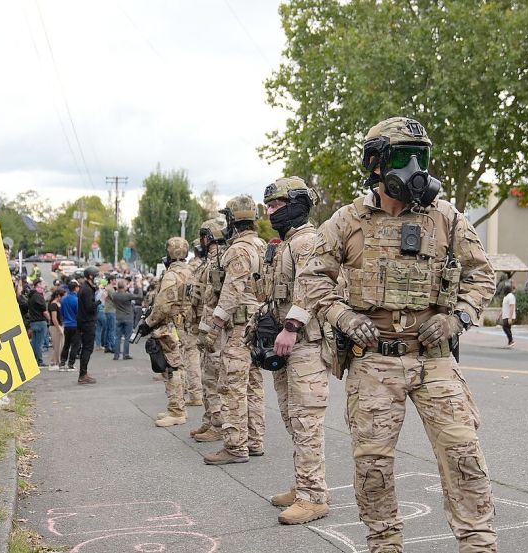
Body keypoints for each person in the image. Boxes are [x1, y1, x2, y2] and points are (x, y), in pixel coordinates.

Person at [288, 117, 497, 552]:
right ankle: (385, 544)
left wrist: (459, 316)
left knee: (465, 457)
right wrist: (343, 318)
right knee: (373, 467)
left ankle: (479, 545)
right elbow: (313, 279)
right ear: (377, 164)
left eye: (422, 157)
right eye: (405, 157)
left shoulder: (448, 219)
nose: (416, 168)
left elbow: (482, 276)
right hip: (373, 361)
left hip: (433, 357)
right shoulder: (348, 221)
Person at [260, 177, 331, 525]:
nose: (272, 211)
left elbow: (313, 287)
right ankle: (304, 485)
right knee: (292, 418)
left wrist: (291, 326)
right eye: (269, 206)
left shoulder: (308, 242)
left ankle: (314, 497)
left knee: (306, 420)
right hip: (286, 344)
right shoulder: (287, 244)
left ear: (298, 203)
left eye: (277, 205)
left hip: (305, 344)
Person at [199, 195, 267, 465]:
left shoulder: (238, 249)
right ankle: (255, 440)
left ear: (232, 220)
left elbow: (231, 292)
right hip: (258, 324)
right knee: (253, 384)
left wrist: (213, 328)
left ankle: (236, 446)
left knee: (232, 386)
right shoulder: (261, 245)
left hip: (239, 327)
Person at [143, 238, 194, 427]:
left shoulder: (172, 275)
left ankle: (177, 410)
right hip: (188, 325)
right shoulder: (193, 271)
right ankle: (177, 406)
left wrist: (148, 323)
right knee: (182, 366)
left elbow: (163, 305)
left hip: (171, 327)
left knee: (171, 368)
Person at [190, 219, 228, 444]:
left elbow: (213, 297)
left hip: (215, 327)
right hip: (210, 324)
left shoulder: (218, 261)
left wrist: (209, 329)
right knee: (208, 375)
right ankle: (210, 418)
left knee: (213, 377)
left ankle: (218, 423)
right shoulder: (214, 260)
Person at [181, 240, 205, 406]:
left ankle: (196, 393)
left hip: (194, 317)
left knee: (191, 354)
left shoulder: (191, 268)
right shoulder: (212, 262)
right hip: (210, 316)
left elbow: (187, 293)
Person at [77, 267, 100, 384]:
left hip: (86, 321)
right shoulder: (86, 290)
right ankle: (82, 375)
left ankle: (84, 372)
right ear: (91, 276)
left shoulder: (88, 288)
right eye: (96, 275)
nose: (98, 277)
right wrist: (99, 301)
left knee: (87, 348)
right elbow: (89, 307)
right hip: (87, 323)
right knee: (87, 348)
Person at [109, 279, 141, 360]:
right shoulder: (128, 295)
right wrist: (140, 288)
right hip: (128, 317)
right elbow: (140, 297)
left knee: (118, 337)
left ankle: (116, 355)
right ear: (124, 287)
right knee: (127, 337)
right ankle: (125, 354)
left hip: (118, 317)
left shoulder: (114, 295)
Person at [27, 278, 50, 367]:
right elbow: (44, 310)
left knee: (35, 342)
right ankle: (39, 360)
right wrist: (49, 319)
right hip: (40, 321)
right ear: (38, 284)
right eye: (43, 283)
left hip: (33, 322)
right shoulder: (39, 296)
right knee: (39, 343)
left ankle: (34, 359)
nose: (44, 285)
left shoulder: (31, 295)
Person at [60, 280, 80, 371]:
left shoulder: (64, 299)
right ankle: (71, 364)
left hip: (67, 324)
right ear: (75, 288)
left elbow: (62, 313)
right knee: (75, 345)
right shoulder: (76, 300)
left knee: (66, 344)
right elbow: (78, 313)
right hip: (75, 324)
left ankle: (62, 362)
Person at [48, 289, 65, 369]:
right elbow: (54, 319)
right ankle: (53, 362)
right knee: (57, 345)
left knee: (60, 345)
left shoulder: (58, 304)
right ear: (58, 296)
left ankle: (57, 361)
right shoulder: (53, 305)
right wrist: (59, 328)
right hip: (55, 327)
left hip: (59, 325)